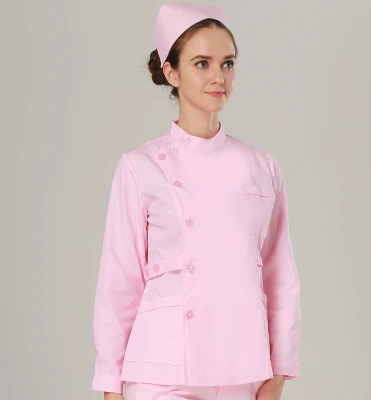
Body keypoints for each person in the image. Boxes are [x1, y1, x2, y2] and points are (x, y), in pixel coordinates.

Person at [91, 2, 301, 400]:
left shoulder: (261, 167)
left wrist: (279, 372)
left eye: (228, 63)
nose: (218, 76)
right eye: (202, 63)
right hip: (162, 368)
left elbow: (280, 276)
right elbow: (119, 281)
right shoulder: (140, 166)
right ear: (172, 72)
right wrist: (109, 382)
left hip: (243, 367)